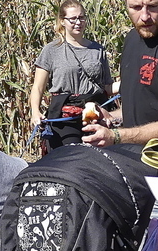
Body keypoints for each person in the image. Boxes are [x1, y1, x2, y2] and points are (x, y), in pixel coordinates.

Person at [84, 0, 158, 226]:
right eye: (136, 8)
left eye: (153, 6)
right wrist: (111, 119)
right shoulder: (131, 40)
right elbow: (137, 107)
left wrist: (116, 137)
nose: (144, 16)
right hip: (131, 174)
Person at [28, 0, 113, 151]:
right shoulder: (52, 50)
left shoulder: (98, 50)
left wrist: (132, 84)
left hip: (95, 114)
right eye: (73, 19)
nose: (78, 22)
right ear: (62, 21)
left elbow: (106, 87)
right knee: (69, 158)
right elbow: (38, 87)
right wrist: (35, 111)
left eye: (81, 18)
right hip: (65, 116)